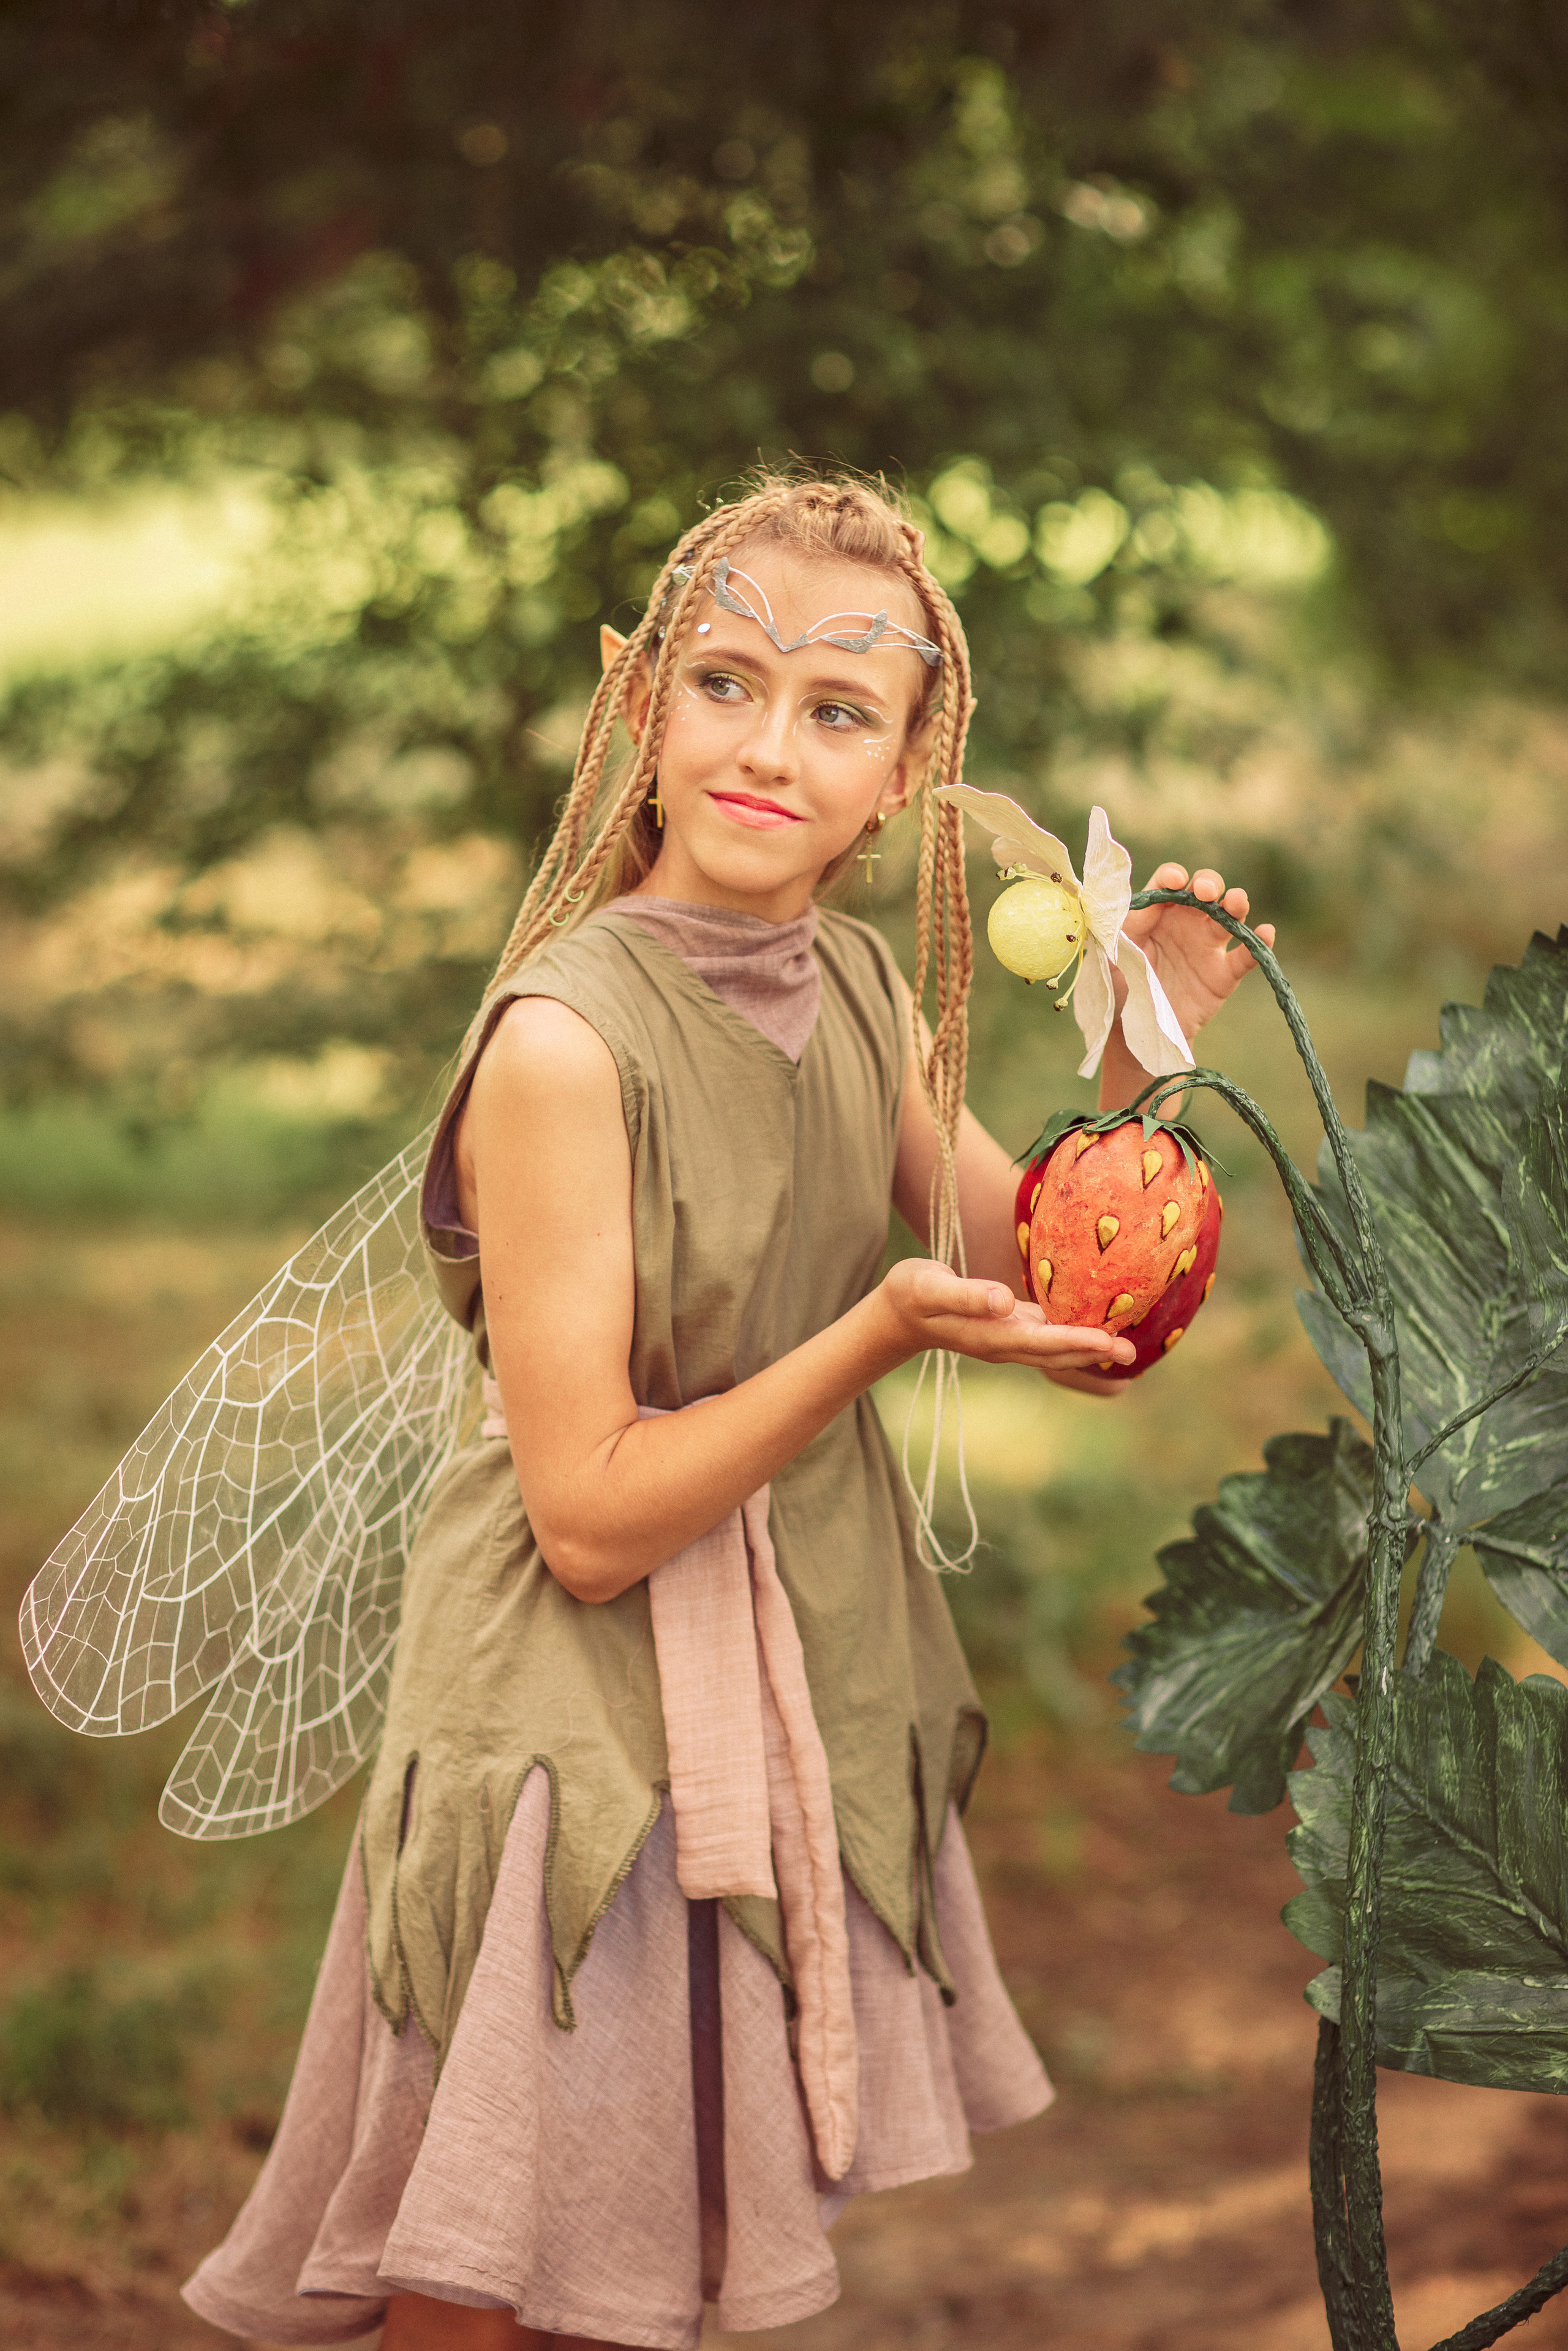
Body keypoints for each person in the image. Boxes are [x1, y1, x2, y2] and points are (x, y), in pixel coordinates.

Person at [158, 475, 1272, 2349]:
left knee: (646, 2275)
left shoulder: (853, 984)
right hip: (560, 1732)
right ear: (643, 707)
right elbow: (586, 1515)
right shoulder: (563, 1043)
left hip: (772, 1691)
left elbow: (1061, 1292)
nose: (771, 747)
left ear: (913, 761)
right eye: (728, 685)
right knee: (495, 2270)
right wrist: (875, 1342)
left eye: (839, 711)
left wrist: (1134, 1057)